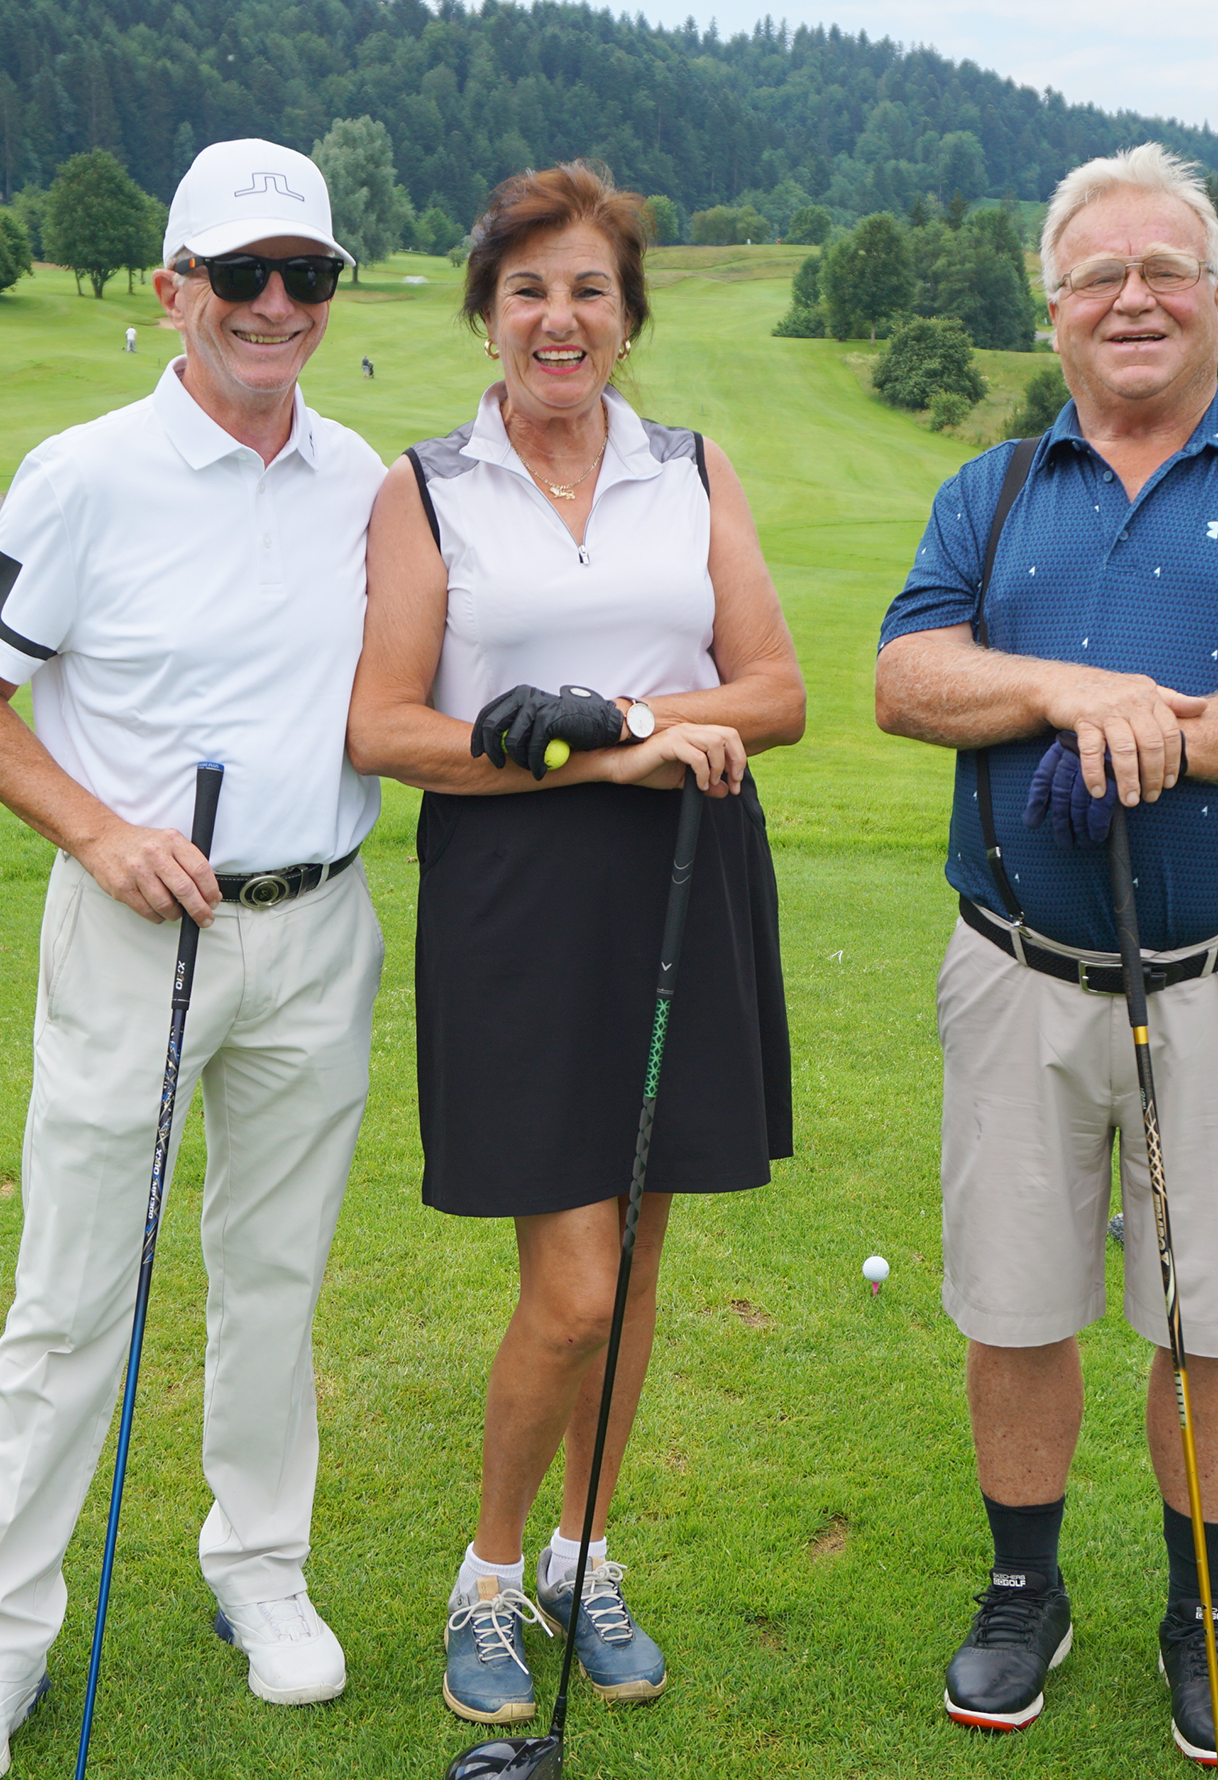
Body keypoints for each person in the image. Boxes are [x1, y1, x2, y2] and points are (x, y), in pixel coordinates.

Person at [873, 143, 1218, 1769]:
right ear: (1052, 308)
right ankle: (1022, 1591)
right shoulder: (991, 490)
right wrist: (1061, 690)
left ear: (1216, 298)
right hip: (1015, 968)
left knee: (1212, 1317)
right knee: (1014, 1303)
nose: (1131, 298)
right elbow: (907, 678)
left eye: (1163, 269)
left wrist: (1156, 730)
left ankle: (1204, 1610)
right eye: (1097, 274)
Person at [0, 137, 386, 1780]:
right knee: (72, 1292)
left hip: (318, 927)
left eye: (303, 275)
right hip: (134, 933)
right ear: (177, 291)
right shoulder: (82, 474)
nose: (274, 305)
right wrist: (99, 833)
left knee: (274, 1276)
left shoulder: (361, 479)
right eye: (240, 276)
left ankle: (259, 1567)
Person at [347, 161, 804, 1730]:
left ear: (627, 317)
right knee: (577, 1289)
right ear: (486, 313)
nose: (559, 317)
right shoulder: (424, 488)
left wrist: (615, 715)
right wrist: (605, 754)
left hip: (682, 878)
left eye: (588, 290)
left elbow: (774, 692)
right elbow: (385, 727)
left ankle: (581, 1557)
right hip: (519, 900)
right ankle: (487, 1579)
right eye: (528, 289)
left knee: (641, 1254)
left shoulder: (692, 469)